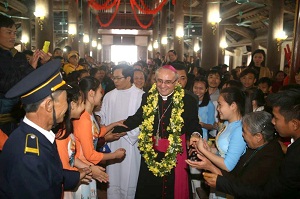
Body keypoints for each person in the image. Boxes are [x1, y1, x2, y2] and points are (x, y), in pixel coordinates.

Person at [0, 60, 92, 198]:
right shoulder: (29, 156)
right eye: (65, 100)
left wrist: (76, 176)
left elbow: (48, 173)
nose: (67, 107)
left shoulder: (34, 135)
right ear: (49, 105)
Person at [113, 65, 203, 199]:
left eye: (167, 82)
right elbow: (137, 118)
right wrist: (113, 128)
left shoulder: (187, 100)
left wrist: (196, 134)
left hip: (175, 152)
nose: (162, 85)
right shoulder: (148, 96)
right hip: (152, 151)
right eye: (159, 81)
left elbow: (193, 123)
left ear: (176, 82)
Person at [203, 86, 300, 199]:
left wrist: (220, 182)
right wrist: (211, 167)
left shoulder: (279, 156)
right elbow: (238, 177)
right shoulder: (257, 147)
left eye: (276, 118)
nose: (273, 122)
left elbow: (266, 193)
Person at [187, 111, 284, 197]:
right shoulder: (254, 147)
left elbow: (245, 188)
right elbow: (235, 175)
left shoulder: (271, 155)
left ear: (258, 136)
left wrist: (212, 168)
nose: (242, 135)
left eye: (244, 132)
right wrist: (210, 162)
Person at [96, 64, 144, 199]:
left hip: (131, 143)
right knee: (114, 178)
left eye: (118, 78)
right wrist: (99, 119)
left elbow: (143, 121)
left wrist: (129, 133)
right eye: (113, 78)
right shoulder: (109, 96)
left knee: (130, 178)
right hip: (112, 141)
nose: (114, 81)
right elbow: (102, 114)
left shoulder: (141, 96)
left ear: (129, 78)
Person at [74, 76, 126, 198]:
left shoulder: (88, 115)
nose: (102, 95)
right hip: (84, 168)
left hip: (87, 167)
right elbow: (90, 154)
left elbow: (95, 133)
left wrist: (113, 124)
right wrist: (114, 156)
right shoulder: (84, 119)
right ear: (91, 93)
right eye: (100, 92)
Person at [190, 87, 247, 198]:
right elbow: (223, 151)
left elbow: (228, 165)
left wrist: (204, 151)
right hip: (218, 177)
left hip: (228, 180)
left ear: (233, 106)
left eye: (220, 105)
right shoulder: (227, 124)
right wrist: (208, 149)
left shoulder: (240, 129)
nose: (218, 108)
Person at [55, 83, 109, 199]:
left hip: (77, 174)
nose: (84, 107)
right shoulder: (61, 134)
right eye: (82, 103)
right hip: (70, 179)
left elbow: (71, 157)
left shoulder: (67, 128)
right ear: (73, 105)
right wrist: (87, 170)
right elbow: (65, 166)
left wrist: (88, 169)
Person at [0, 14, 50, 135]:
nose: (13, 37)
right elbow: (6, 85)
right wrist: (30, 67)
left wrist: (43, 64)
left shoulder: (19, 56)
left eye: (14, 33)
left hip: (20, 114)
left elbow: (31, 80)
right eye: (8, 32)